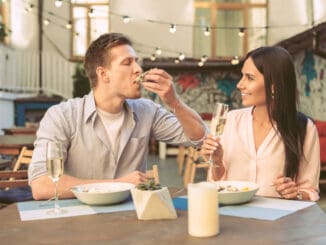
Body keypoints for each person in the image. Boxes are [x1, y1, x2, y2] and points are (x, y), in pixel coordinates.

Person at [28, 33, 207, 200]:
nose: (138, 69)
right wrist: (119, 185)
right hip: (81, 221)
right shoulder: (62, 116)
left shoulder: (147, 111)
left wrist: (174, 101)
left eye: (136, 62)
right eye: (127, 62)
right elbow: (41, 185)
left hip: (132, 219)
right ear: (103, 74)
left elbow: (199, 137)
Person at [201, 46, 320, 201]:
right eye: (242, 76)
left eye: (249, 78)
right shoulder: (230, 121)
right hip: (233, 217)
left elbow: (309, 191)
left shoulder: (304, 128)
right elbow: (216, 183)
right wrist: (216, 161)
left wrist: (295, 193)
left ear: (274, 85)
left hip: (277, 221)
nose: (239, 84)